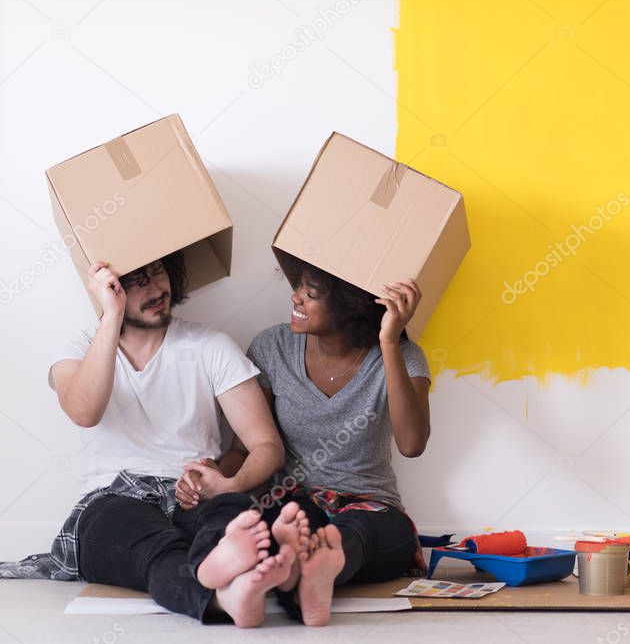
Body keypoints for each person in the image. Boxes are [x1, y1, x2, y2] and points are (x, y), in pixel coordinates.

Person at [0, 253, 307, 627]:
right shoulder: (80, 347)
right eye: (136, 281)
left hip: (193, 494)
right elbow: (84, 411)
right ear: (110, 290)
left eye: (159, 272)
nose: (156, 288)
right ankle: (221, 595)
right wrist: (110, 317)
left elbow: (266, 445)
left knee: (232, 515)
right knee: (153, 546)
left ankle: (230, 585)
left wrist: (228, 483)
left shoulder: (210, 344)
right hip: (112, 500)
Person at [177, 252, 431, 626]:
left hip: (370, 509)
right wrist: (211, 477)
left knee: (355, 531)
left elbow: (412, 444)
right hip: (292, 505)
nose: (295, 298)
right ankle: (305, 574)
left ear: (349, 306)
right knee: (294, 522)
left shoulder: (403, 357)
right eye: (297, 288)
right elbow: (242, 448)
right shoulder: (272, 348)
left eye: (310, 293)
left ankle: (317, 565)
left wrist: (389, 341)